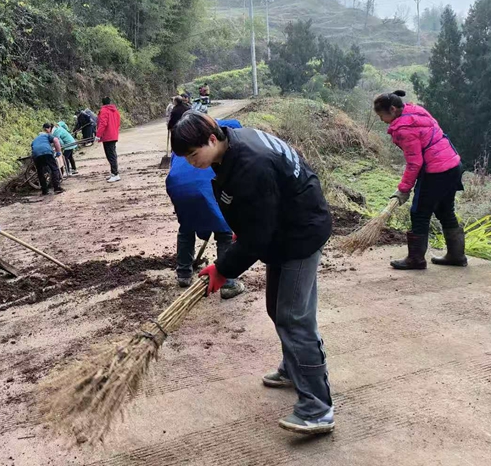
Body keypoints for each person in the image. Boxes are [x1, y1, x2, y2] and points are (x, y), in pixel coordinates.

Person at [171, 112, 334, 435]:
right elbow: (254, 216)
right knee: (279, 310)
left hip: (301, 234)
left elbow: (258, 236)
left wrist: (223, 269)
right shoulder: (233, 145)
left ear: (212, 139)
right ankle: (294, 368)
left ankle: (318, 408)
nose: (191, 163)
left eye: (193, 155)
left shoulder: (251, 164)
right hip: (284, 231)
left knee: (293, 317)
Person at [374, 90, 466, 270]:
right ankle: (456, 255)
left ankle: (416, 259)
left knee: (419, 212)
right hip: (453, 164)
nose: (380, 119)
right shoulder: (415, 111)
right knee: (445, 209)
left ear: (392, 109)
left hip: (437, 170)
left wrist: (403, 189)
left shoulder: (403, 129)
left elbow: (415, 163)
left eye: (381, 115)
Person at [166, 117, 245, 299]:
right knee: (224, 230)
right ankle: (229, 283)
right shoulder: (223, 142)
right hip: (203, 185)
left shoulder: (185, 138)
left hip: (177, 186)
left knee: (186, 227)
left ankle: (184, 273)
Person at [31, 124, 65, 195]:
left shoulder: (35, 140)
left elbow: (33, 148)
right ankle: (56, 188)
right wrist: (58, 151)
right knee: (54, 169)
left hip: (36, 155)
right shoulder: (47, 135)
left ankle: (44, 191)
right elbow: (56, 140)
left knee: (40, 172)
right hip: (47, 152)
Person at [96, 97, 121, 182]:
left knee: (110, 155)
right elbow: (118, 122)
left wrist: (98, 135)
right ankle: (114, 173)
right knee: (113, 154)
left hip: (107, 136)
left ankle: (115, 174)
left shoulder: (104, 111)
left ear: (102, 103)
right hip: (113, 135)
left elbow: (103, 123)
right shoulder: (115, 111)